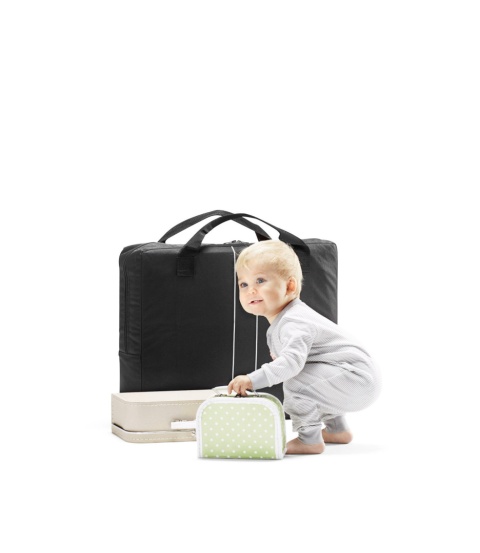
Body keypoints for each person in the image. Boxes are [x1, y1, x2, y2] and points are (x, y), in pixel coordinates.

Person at [227, 240, 381, 454]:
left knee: (296, 381)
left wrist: (252, 380)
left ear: (289, 286)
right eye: (243, 284)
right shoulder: (287, 319)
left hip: (356, 379)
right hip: (355, 378)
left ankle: (309, 439)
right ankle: (337, 429)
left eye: (260, 280)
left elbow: (290, 364)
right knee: (312, 380)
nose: (251, 290)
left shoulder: (294, 322)